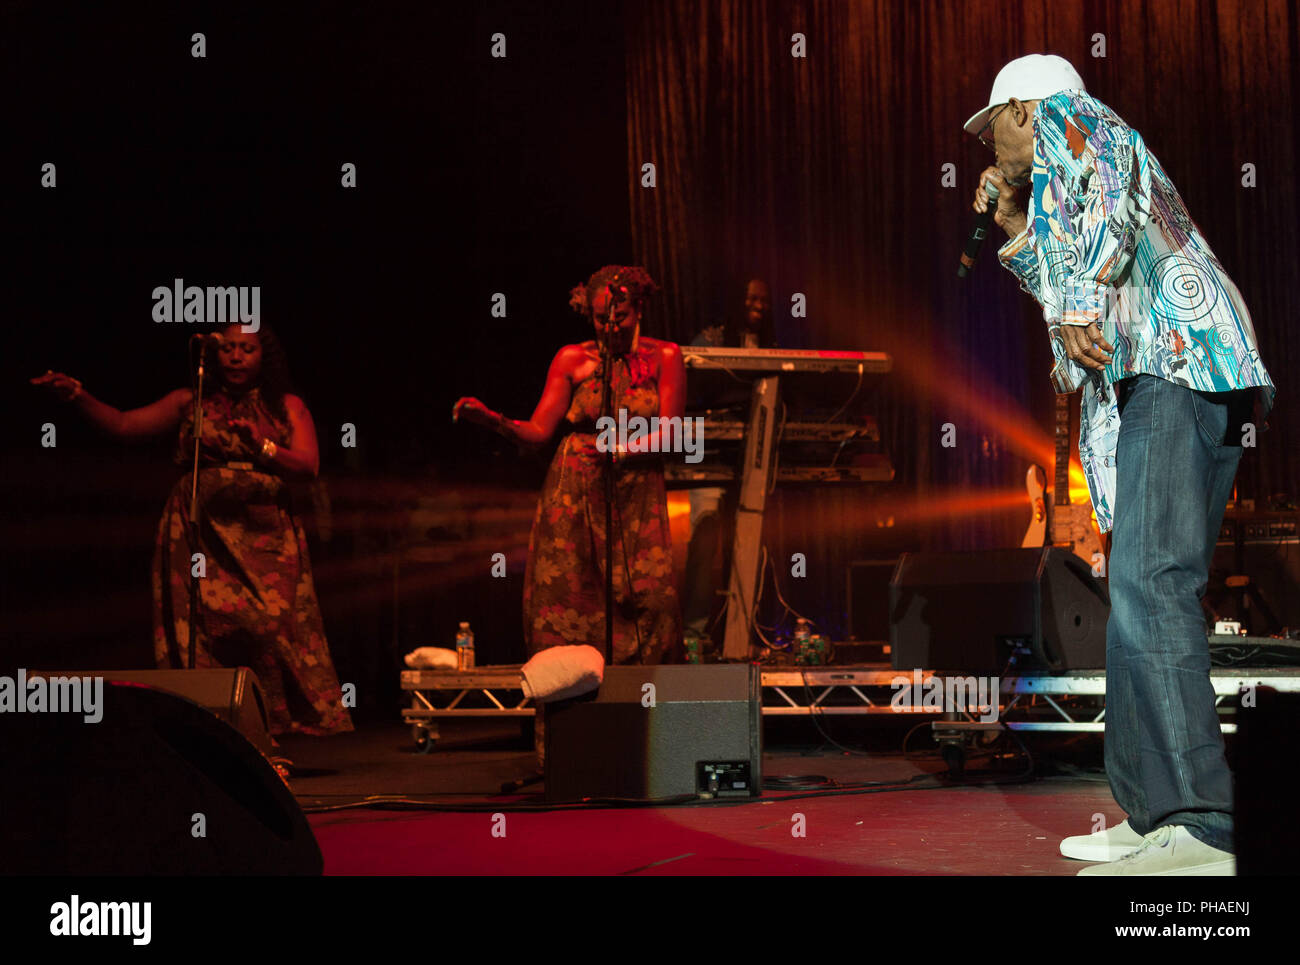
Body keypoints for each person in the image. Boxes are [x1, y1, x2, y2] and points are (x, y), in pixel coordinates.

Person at [967, 54, 1273, 875]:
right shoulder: (1064, 176)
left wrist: (1073, 304)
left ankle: (1202, 822)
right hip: (1163, 375)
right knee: (1137, 585)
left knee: (1152, 580)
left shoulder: (1080, 121)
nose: (986, 145)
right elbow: (1075, 261)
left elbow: (1110, 198)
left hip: (1179, 365)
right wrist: (1017, 229)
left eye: (990, 125)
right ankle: (1152, 812)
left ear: (1024, 110)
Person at [31, 325, 354, 737]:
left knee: (270, 629)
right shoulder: (192, 400)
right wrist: (77, 395)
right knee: (202, 632)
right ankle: (215, 733)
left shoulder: (285, 405)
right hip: (199, 534)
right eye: (228, 349)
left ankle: (277, 728)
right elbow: (125, 425)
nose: (236, 357)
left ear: (263, 356)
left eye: (247, 349)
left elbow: (309, 465)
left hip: (265, 539)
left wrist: (263, 448)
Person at [453, 265, 685, 764]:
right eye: (601, 318)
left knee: (649, 607)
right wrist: (494, 421)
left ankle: (650, 744)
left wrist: (624, 448)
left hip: (636, 493)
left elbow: (674, 431)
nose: (610, 327)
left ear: (638, 309)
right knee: (570, 608)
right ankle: (571, 749)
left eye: (620, 317)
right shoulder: (572, 358)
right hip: (574, 489)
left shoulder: (665, 356)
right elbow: (540, 430)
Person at [683, 279, 776, 656]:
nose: (759, 305)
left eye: (765, 300)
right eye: (752, 297)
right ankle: (694, 633)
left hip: (751, 457)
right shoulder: (711, 340)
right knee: (705, 541)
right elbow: (691, 384)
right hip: (707, 451)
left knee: (749, 543)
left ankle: (740, 634)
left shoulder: (772, 346)